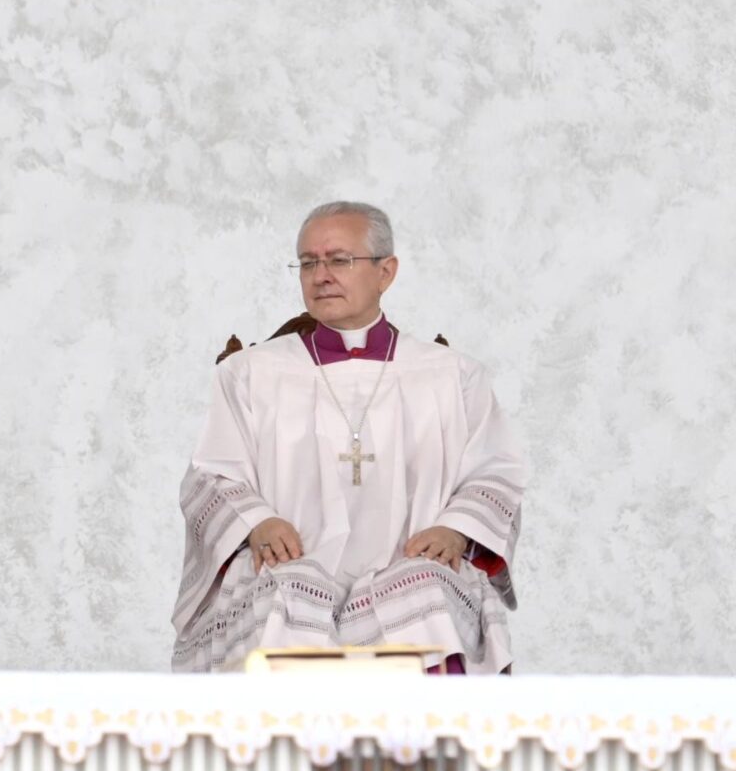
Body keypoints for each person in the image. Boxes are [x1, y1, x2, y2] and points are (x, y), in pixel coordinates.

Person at [174, 200, 525, 672]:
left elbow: (494, 470)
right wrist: (256, 522)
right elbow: (211, 474)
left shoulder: (451, 375)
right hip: (289, 563)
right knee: (284, 593)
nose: (321, 276)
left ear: (386, 271)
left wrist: (457, 530)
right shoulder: (249, 373)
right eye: (308, 263)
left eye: (339, 260)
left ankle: (419, 723)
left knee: (428, 593)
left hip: (410, 563)